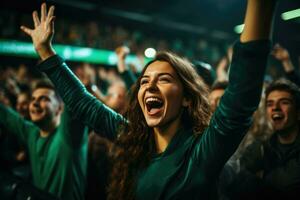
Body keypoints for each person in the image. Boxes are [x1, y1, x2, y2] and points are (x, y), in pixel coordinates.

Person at [20, 1, 276, 199]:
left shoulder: (201, 152)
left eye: (164, 79)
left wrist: (260, 6)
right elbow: (86, 106)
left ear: (187, 98)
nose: (150, 85)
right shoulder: (133, 139)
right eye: (144, 81)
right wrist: (46, 51)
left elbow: (241, 98)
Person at [0, 80, 88, 200]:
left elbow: (74, 97)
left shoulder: (68, 135)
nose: (35, 103)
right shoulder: (32, 132)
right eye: (33, 99)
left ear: (60, 109)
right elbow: (6, 115)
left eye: (44, 99)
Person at [239, 78, 300, 199]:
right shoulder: (260, 147)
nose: (275, 108)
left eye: (284, 102)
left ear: (298, 112)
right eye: (270, 104)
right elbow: (239, 183)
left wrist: (263, 179)